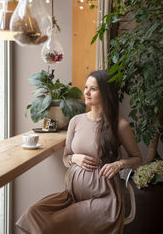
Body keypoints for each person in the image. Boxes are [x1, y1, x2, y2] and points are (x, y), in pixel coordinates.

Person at [16, 70, 142, 234]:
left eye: (93, 89)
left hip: (104, 200)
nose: (86, 93)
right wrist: (75, 158)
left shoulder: (120, 125)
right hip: (71, 196)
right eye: (86, 87)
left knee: (53, 224)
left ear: (106, 93)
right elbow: (66, 157)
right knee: (34, 214)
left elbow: (138, 158)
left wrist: (119, 164)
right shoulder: (76, 121)